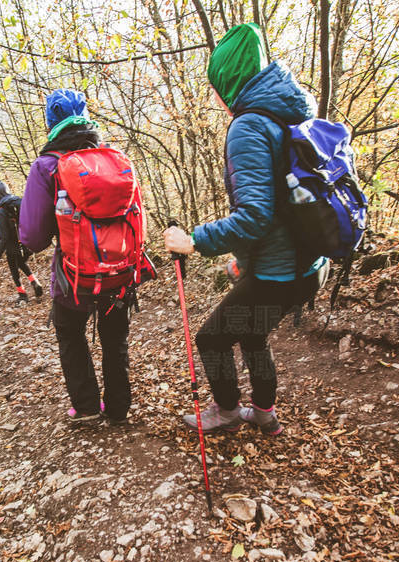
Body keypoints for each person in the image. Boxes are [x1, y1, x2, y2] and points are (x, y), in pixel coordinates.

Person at [163, 23, 323, 436]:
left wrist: (193, 240)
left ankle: (228, 410)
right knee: (253, 333)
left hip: (280, 271)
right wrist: (243, 260)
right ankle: (264, 413)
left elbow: (254, 216)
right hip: (309, 264)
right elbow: (281, 203)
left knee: (212, 339)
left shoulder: (249, 125)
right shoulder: (290, 110)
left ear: (227, 82)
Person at [19, 88, 130, 425]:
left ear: (51, 122)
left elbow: (33, 237)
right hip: (120, 270)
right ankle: (118, 408)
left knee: (70, 334)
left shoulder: (47, 166)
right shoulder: (113, 159)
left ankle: (86, 408)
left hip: (74, 276)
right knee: (115, 338)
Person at [0, 181, 43, 305]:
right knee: (21, 262)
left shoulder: (2, 211)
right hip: (26, 241)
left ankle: (22, 294)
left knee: (14, 269)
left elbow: (3, 236)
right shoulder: (20, 202)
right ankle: (35, 282)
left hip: (12, 245)